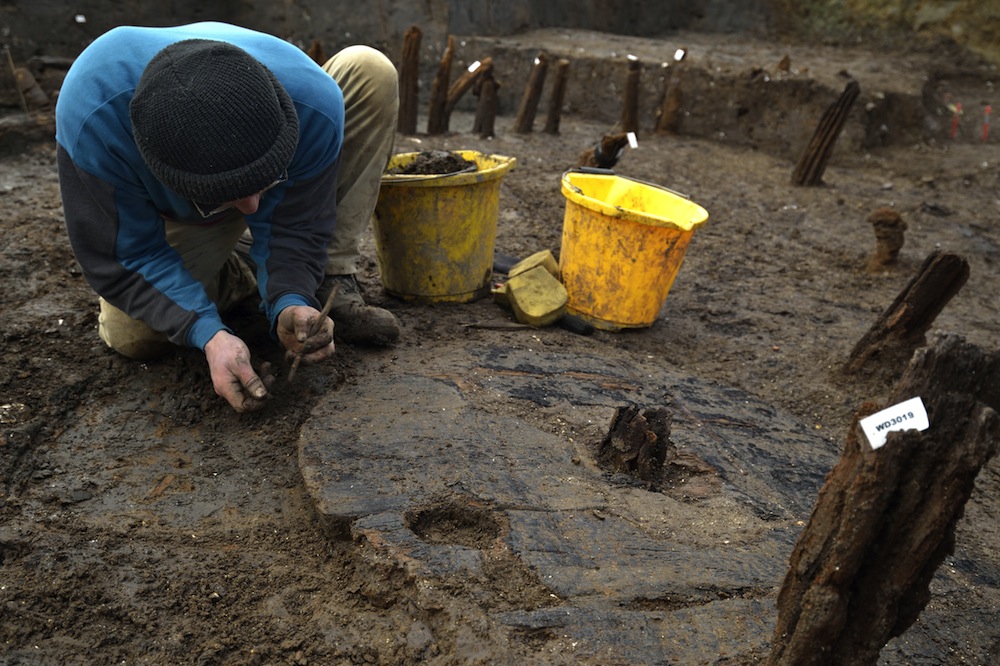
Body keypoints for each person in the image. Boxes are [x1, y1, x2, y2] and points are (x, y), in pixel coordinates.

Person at [55, 21, 400, 413]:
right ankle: (241, 267)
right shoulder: (94, 119)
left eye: (264, 182)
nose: (254, 207)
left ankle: (328, 275)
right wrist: (209, 334)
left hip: (286, 132)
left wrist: (290, 297)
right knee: (135, 336)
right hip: (172, 216)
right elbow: (127, 256)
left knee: (369, 69)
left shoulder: (309, 102)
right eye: (230, 195)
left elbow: (298, 220)